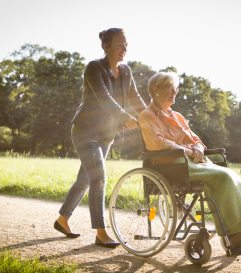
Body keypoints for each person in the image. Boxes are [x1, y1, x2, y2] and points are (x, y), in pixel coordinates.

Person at [138, 72, 241, 250]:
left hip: (191, 162)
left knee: (229, 175)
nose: (175, 91)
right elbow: (158, 143)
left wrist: (197, 147)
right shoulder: (146, 116)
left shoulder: (178, 117)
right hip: (172, 165)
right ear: (155, 89)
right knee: (223, 176)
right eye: (170, 87)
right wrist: (189, 151)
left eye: (176, 88)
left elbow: (195, 139)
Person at [54, 28, 147, 248]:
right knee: (99, 178)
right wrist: (125, 117)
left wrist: (152, 116)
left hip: (106, 135)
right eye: (119, 45)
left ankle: (62, 220)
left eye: (126, 44)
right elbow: (104, 98)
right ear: (106, 47)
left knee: (85, 179)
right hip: (85, 132)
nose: (124, 49)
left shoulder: (126, 71)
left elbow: (135, 98)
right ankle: (100, 232)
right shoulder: (94, 68)